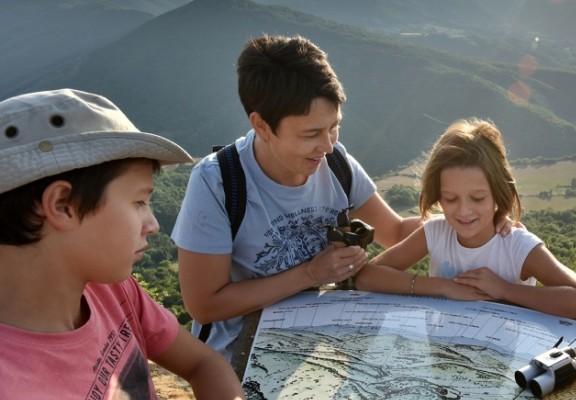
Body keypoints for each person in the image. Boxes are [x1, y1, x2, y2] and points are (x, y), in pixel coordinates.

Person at [172, 35, 513, 362]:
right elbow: (204, 305)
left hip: (320, 342)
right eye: (311, 134)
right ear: (261, 126)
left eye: (334, 126)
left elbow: (394, 231)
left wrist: (474, 221)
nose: (328, 144)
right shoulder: (218, 183)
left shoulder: (334, 165)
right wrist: (310, 274)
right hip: (237, 356)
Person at [0, 89, 270, 400]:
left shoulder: (107, 289)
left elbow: (203, 362)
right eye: (139, 201)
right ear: (62, 205)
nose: (152, 223)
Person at [355, 118, 576, 322]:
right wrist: (443, 286)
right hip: (442, 357)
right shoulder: (436, 232)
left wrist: (505, 290)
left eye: (478, 198)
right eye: (450, 199)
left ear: (498, 193)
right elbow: (368, 276)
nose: (464, 211)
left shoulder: (517, 246)